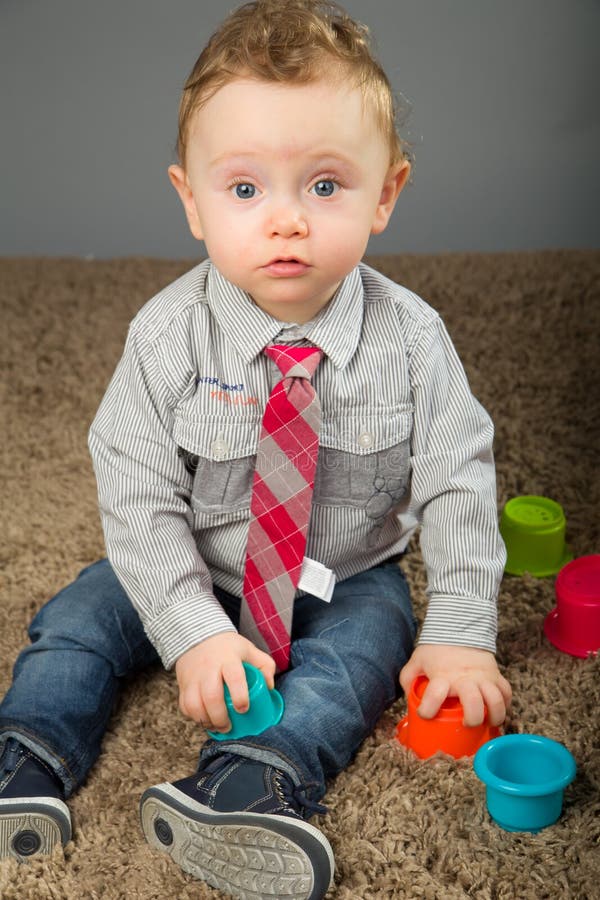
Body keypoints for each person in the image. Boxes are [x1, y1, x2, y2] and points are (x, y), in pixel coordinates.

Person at [0, 1, 512, 898]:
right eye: (244, 189)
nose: (286, 221)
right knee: (79, 620)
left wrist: (463, 632)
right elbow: (137, 490)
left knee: (368, 654)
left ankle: (252, 778)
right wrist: (193, 629)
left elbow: (459, 478)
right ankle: (26, 753)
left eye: (324, 186)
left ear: (385, 193)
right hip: (192, 555)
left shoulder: (413, 340)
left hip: (344, 572)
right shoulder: (167, 336)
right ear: (190, 200)